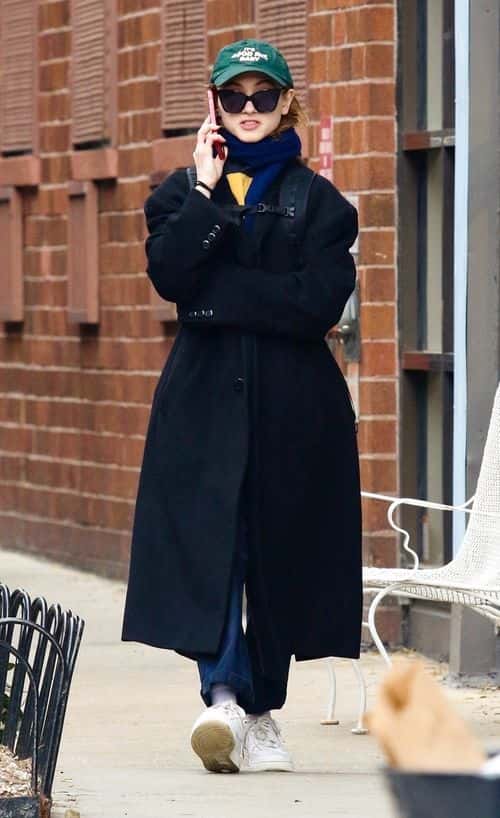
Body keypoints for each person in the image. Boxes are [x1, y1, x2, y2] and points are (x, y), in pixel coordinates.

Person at [122, 38, 362, 774]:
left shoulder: (321, 204)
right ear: (213, 103)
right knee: (213, 552)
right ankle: (224, 698)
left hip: (296, 413)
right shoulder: (177, 195)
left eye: (264, 96)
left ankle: (262, 715)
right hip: (203, 407)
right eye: (235, 97)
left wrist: (217, 302)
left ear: (287, 101)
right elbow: (171, 277)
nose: (249, 110)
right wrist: (205, 195)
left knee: (278, 556)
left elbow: (316, 303)